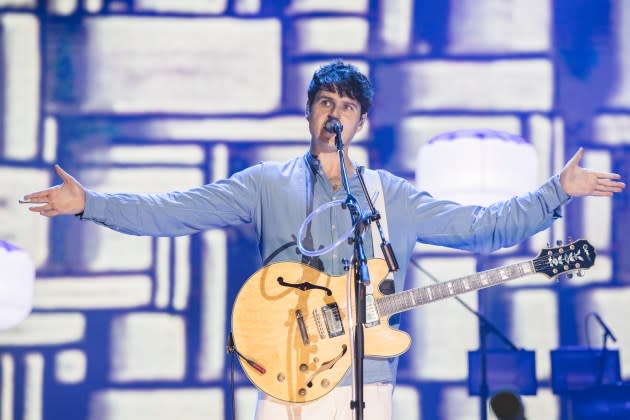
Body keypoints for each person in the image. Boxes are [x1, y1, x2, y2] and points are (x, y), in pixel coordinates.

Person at [23, 61, 625, 419]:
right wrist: (91, 204)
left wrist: (557, 191)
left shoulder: (392, 197)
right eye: (324, 103)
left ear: (361, 123)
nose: (333, 114)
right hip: (281, 374)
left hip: (365, 382)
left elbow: (483, 226)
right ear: (309, 114)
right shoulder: (265, 184)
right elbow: (177, 210)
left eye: (346, 107)